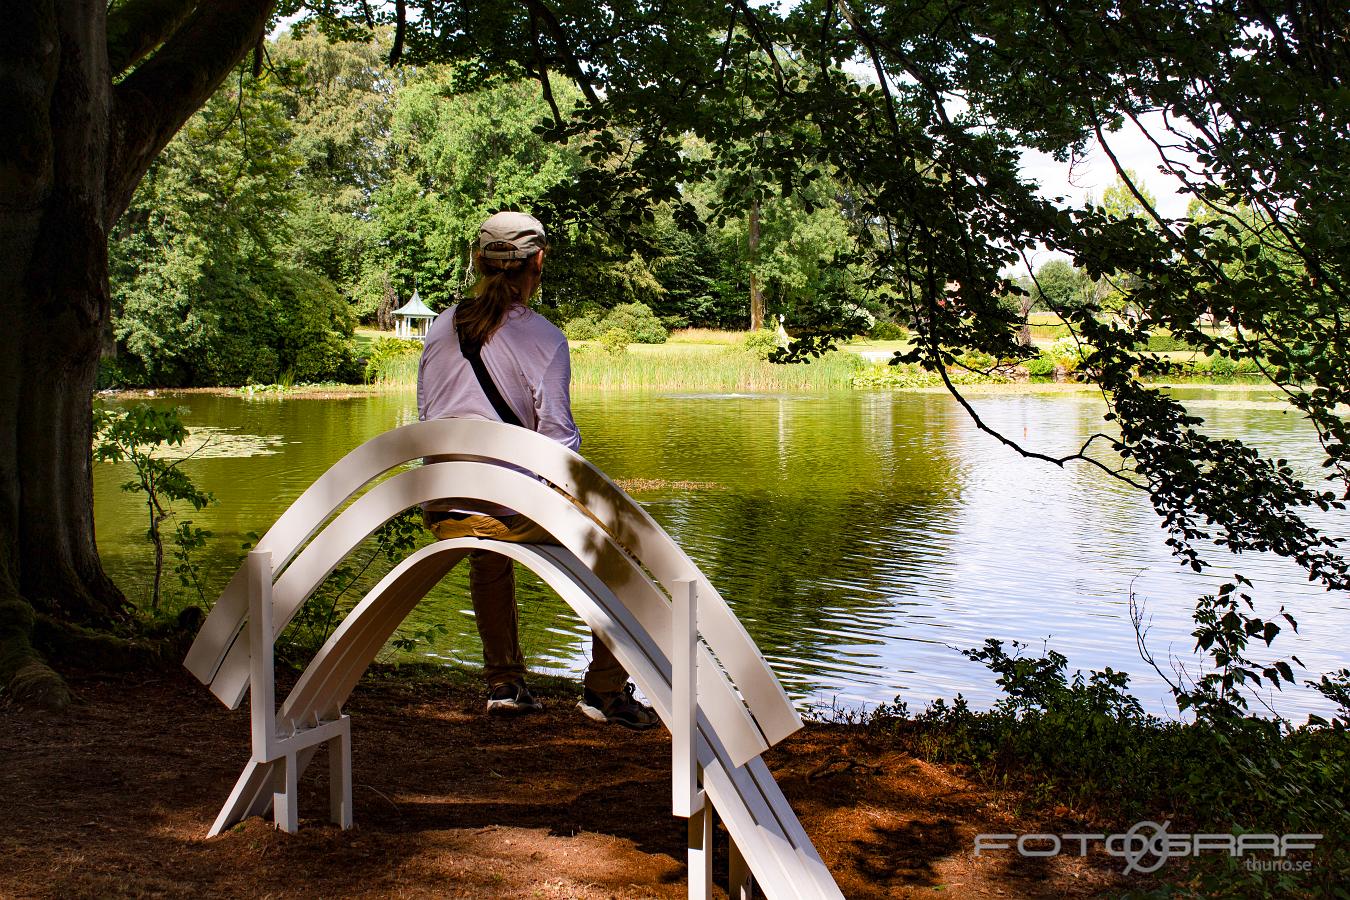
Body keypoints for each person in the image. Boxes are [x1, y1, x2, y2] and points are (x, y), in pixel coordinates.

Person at [416, 211, 658, 730]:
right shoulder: (545, 339)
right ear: (539, 262)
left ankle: (505, 682)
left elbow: (426, 418)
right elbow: (559, 446)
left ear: (477, 261)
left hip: (444, 508)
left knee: (487, 540)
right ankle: (605, 689)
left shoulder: (438, 328)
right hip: (505, 509)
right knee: (630, 539)